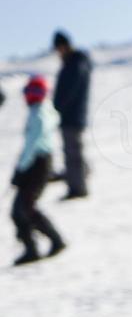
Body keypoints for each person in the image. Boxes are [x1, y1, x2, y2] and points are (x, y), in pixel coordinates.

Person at [11, 76, 66, 266]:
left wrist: (20, 170)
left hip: (36, 164)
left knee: (23, 208)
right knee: (23, 208)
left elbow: (31, 145)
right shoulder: (45, 111)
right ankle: (36, 246)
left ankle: (48, 243)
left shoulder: (38, 114)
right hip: (39, 164)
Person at [51, 30, 91, 200]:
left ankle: (78, 188)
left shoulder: (75, 63)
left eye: (58, 48)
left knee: (73, 152)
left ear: (64, 46)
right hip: (71, 115)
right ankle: (79, 179)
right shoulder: (73, 62)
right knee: (73, 152)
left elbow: (70, 90)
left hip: (72, 116)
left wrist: (59, 106)